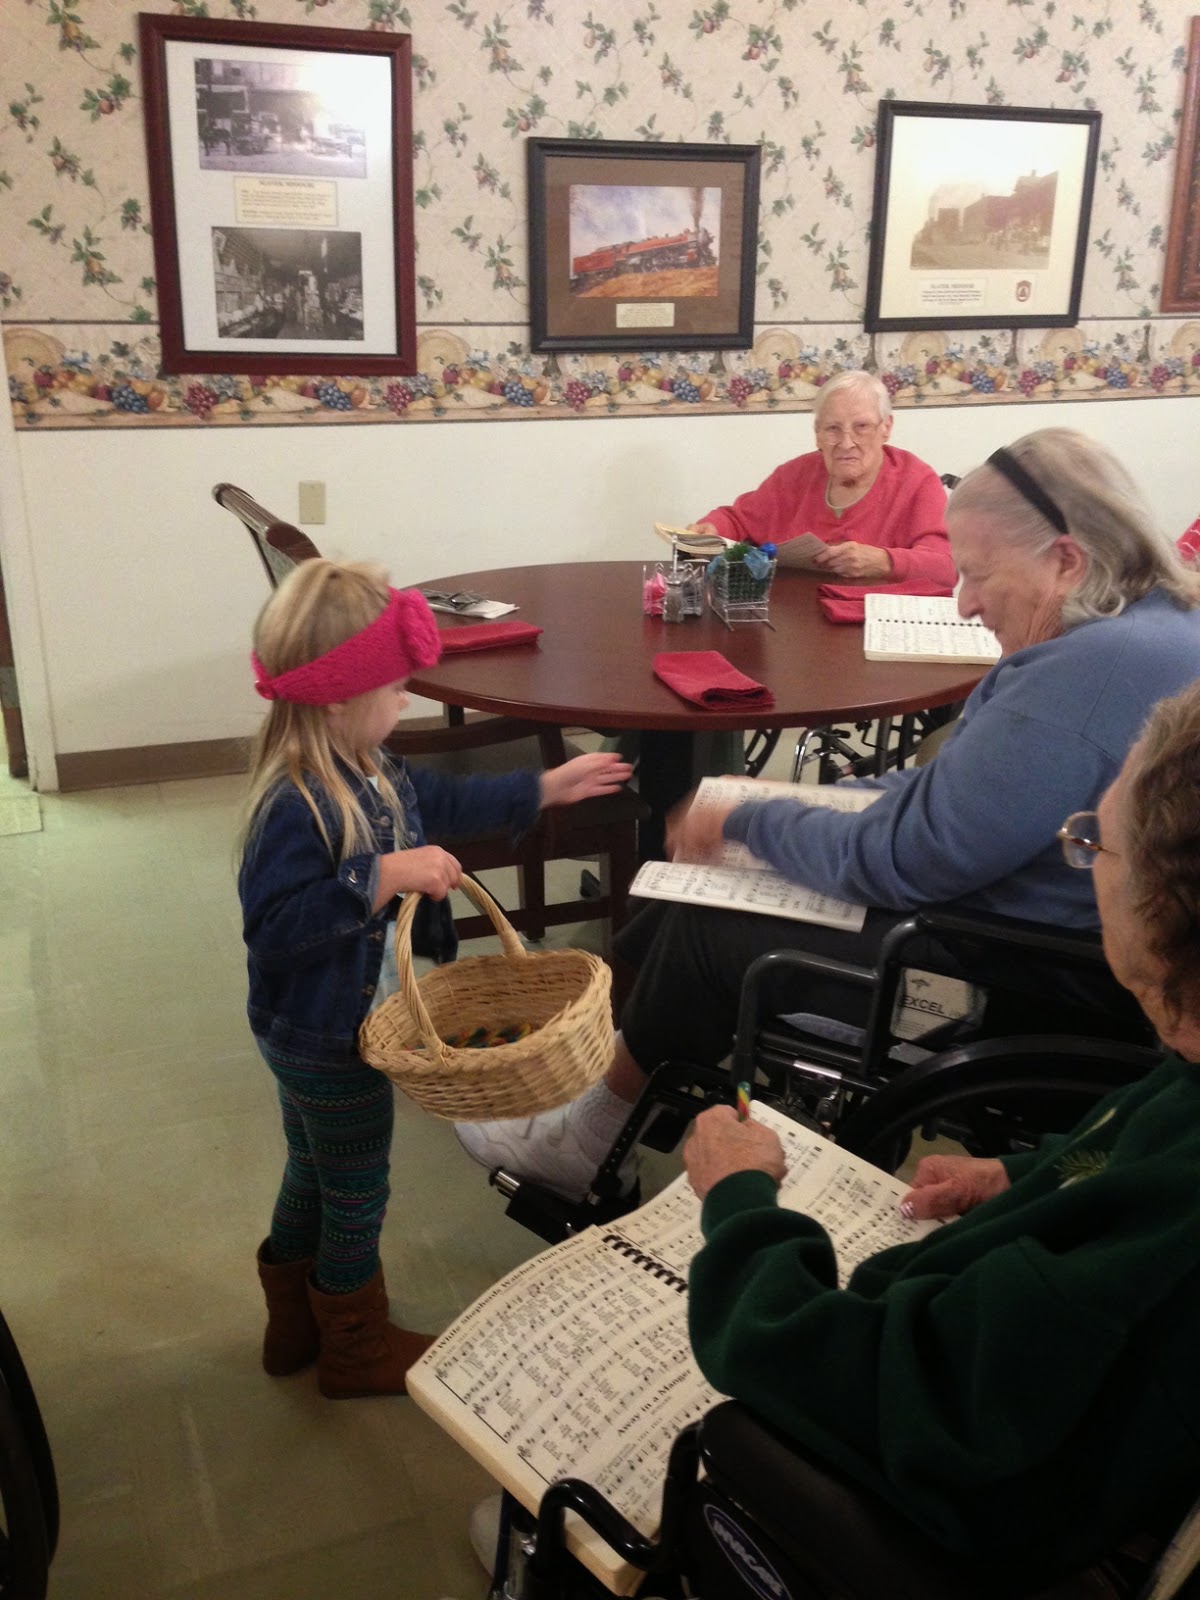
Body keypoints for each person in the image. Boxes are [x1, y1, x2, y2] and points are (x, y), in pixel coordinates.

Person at [456, 427, 1200, 1201]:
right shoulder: (1149, 627)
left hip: (1015, 974)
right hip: (1038, 938)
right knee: (673, 893)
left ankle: (586, 1139)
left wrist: (749, 820)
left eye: (979, 574)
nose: (965, 601)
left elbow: (911, 857)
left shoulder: (1085, 675)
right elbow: (950, 793)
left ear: (1067, 560)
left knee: (709, 925)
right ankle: (620, 1103)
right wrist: (783, 803)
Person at [683, 678, 1200, 1592]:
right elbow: (1123, 1158)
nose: (1081, 858)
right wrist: (1027, 1176)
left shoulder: (1158, 1241)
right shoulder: (1185, 1074)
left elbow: (850, 1379)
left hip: (954, 1516)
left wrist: (740, 1202)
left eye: (1092, 843)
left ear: (1165, 913)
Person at [240, 558, 631, 1398]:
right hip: (324, 1040)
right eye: (393, 687)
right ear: (338, 696)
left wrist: (543, 788)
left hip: (314, 1030)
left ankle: (293, 1326)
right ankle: (354, 1347)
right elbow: (273, 931)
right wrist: (379, 877)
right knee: (358, 1188)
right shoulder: (296, 803)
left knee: (312, 1167)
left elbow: (446, 804)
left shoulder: (369, 763)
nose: (406, 701)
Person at [688, 369, 956, 587]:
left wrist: (885, 561)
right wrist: (713, 528)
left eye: (861, 427)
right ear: (817, 433)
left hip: (875, 625)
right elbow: (739, 519)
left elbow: (946, 568)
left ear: (886, 427)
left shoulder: (917, 481)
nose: (846, 443)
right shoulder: (795, 475)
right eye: (833, 429)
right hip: (795, 620)